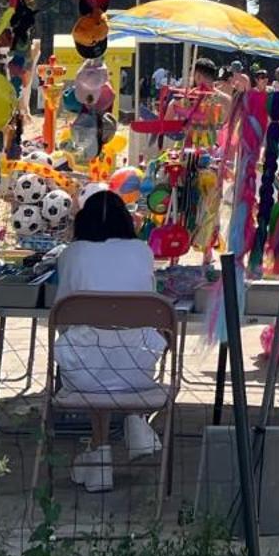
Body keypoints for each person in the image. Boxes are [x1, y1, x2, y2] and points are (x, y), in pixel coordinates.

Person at [52, 191, 166, 492]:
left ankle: (100, 454)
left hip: (84, 370)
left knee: (92, 352)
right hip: (138, 370)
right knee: (114, 352)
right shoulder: (143, 251)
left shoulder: (71, 254)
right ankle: (135, 418)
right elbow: (151, 309)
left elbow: (61, 316)